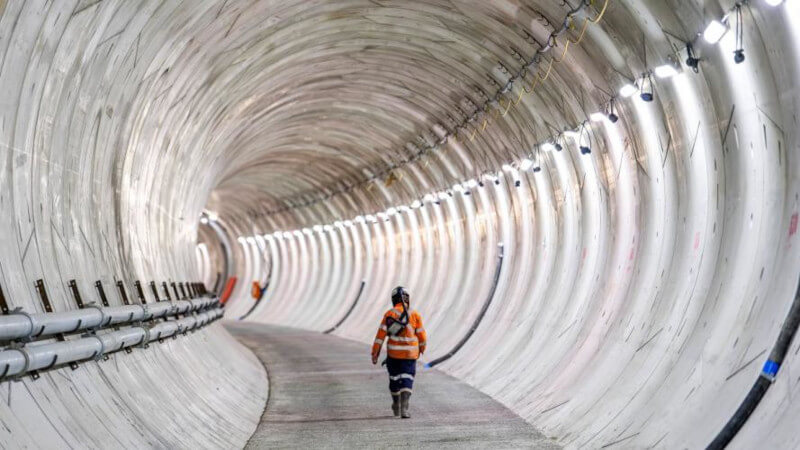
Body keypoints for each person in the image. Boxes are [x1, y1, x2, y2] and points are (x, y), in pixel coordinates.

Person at [371, 286, 427, 418]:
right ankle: (404, 408)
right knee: (407, 378)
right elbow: (422, 336)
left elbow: (380, 336)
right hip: (409, 355)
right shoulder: (415, 315)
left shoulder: (389, 314)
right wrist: (422, 349)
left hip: (394, 354)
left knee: (394, 379)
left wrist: (375, 353)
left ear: (393, 299)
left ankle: (396, 403)